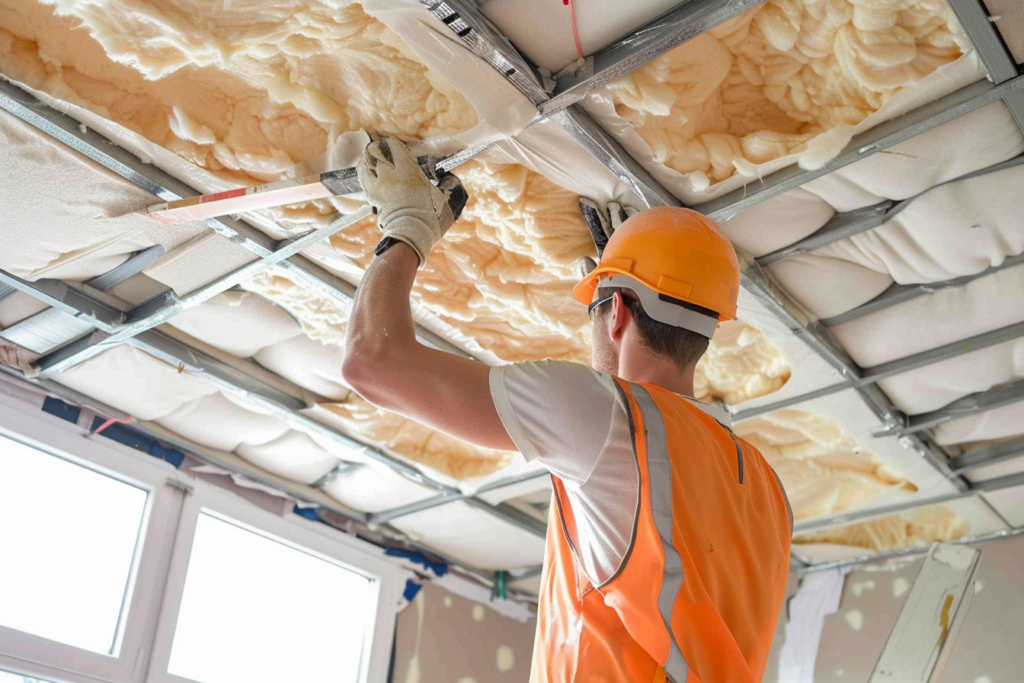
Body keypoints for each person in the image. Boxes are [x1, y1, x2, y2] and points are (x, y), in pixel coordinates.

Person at [343, 138, 793, 683]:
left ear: (620, 313)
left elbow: (372, 361)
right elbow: (624, 443)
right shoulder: (765, 488)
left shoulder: (610, 424)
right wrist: (610, 310)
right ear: (711, 326)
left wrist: (406, 225)